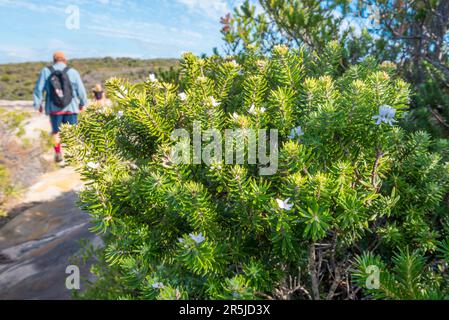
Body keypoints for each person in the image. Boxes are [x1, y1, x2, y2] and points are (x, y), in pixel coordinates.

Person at [33, 51, 87, 163]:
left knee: (56, 132)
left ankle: (58, 152)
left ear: (54, 60)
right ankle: (75, 155)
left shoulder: (46, 71)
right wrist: (82, 103)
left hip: (54, 108)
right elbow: (81, 90)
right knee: (73, 131)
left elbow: (39, 89)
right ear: (65, 60)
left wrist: (38, 105)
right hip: (71, 108)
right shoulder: (72, 72)